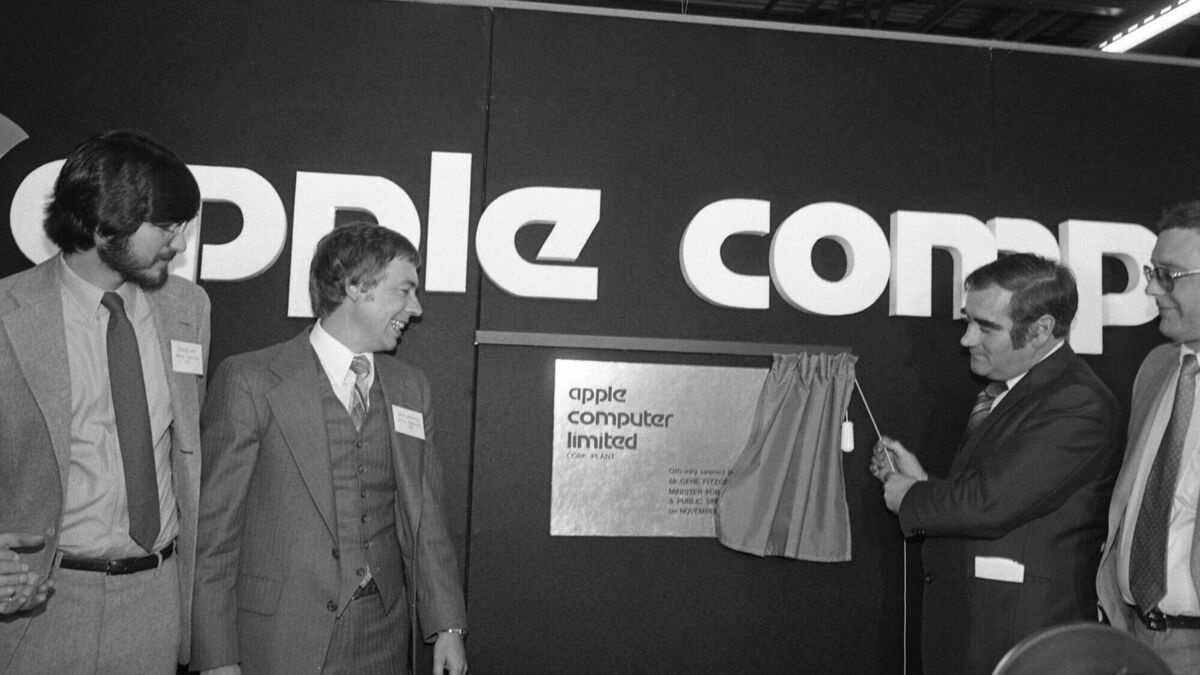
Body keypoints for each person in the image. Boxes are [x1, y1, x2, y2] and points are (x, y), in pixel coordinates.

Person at [191, 222, 468, 675]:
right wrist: (217, 659)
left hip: (383, 637)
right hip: (281, 639)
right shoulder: (250, 380)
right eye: (404, 291)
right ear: (356, 286)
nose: (415, 309)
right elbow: (214, 538)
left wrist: (448, 626)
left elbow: (428, 519)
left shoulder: (410, 388)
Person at [0, 130, 208, 673]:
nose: (180, 244)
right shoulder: (7, 314)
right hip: (36, 607)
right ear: (102, 224)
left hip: (155, 601)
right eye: (166, 226)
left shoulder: (189, 308)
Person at [870, 253, 1121, 675]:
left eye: (986, 327)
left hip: (1020, 643)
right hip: (976, 635)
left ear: (1040, 329)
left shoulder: (1079, 402)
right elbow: (999, 490)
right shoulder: (1011, 391)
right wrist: (923, 481)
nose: (966, 339)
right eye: (967, 321)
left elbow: (990, 503)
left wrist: (910, 496)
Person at [1097, 201, 1200, 674]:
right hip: (1133, 639)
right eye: (1152, 272)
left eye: (1169, 275)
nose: (1152, 288)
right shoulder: (1157, 367)